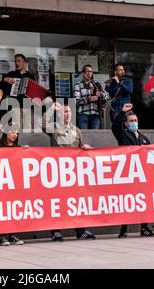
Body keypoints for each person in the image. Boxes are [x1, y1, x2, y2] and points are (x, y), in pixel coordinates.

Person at [45, 103, 96, 241]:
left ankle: (80, 230)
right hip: (58, 170)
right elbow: (41, 124)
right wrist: (51, 109)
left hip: (73, 172)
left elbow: (80, 147)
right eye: (64, 112)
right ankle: (56, 231)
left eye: (69, 112)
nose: (67, 114)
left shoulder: (77, 130)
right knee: (57, 201)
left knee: (76, 200)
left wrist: (84, 147)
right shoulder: (54, 127)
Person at [111, 103, 154, 238]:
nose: (134, 123)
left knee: (143, 201)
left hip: (142, 175)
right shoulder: (123, 135)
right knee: (127, 202)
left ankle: (144, 228)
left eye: (135, 121)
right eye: (131, 121)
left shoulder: (144, 138)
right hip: (128, 173)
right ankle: (123, 229)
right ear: (125, 124)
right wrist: (121, 112)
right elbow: (114, 127)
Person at [74, 64, 109, 129]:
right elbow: (76, 101)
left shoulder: (96, 84)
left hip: (96, 114)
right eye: (87, 71)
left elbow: (107, 95)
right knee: (84, 135)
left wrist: (100, 94)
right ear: (83, 73)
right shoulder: (77, 85)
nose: (89, 73)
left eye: (91, 71)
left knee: (95, 136)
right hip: (83, 114)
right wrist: (88, 99)